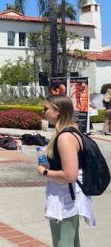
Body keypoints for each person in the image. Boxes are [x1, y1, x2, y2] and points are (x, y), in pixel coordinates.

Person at [40, 95, 96, 246]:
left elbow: (69, 175)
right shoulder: (70, 131)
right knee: (70, 241)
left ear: (57, 111)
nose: (43, 112)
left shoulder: (65, 137)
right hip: (67, 197)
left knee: (63, 242)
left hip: (66, 201)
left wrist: (44, 172)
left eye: (46, 109)